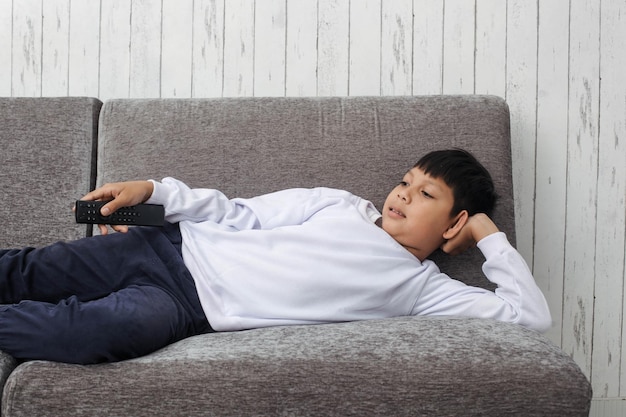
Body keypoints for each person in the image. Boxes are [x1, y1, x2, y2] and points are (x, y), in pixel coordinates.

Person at [0, 149, 551, 364]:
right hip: (169, 244)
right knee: (30, 271)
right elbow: (238, 214)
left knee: (91, 335)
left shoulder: (423, 288)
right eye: (406, 182)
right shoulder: (340, 206)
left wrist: (485, 233)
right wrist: (154, 191)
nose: (403, 195)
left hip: (185, 309)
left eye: (427, 195)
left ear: (453, 223)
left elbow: (529, 318)